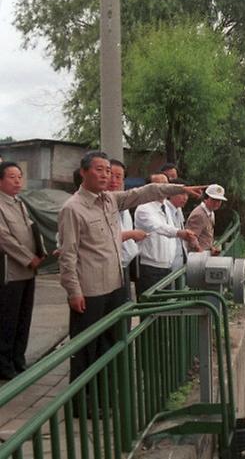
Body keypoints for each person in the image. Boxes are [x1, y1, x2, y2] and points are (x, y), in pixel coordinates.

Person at [58, 151, 205, 384]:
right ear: (83, 172)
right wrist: (73, 291)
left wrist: (180, 189)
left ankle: (103, 396)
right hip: (90, 290)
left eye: (108, 170)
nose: (106, 175)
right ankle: (81, 403)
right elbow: (67, 255)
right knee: (86, 348)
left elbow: (144, 192)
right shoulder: (73, 209)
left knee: (109, 344)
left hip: (114, 284)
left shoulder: (110, 200)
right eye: (100, 169)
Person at [0, 162, 45, 380]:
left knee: (23, 318)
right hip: (10, 272)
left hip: (29, 271)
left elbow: (31, 230)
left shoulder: (19, 203)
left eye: (19, 176)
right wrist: (29, 259)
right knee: (8, 320)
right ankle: (4, 364)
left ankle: (19, 359)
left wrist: (41, 252)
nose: (18, 181)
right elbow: (4, 239)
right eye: (12, 177)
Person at [133, 180, 198, 299]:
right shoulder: (144, 208)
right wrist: (179, 233)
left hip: (167, 267)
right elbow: (159, 227)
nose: (163, 187)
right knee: (152, 308)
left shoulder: (166, 208)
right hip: (151, 268)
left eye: (165, 184)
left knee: (166, 309)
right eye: (159, 184)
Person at [109, 159, 146, 300]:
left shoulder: (123, 206)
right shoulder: (96, 205)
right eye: (110, 175)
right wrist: (131, 234)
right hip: (107, 270)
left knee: (124, 312)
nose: (114, 181)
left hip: (123, 266)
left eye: (118, 177)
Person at [186, 184, 227, 255]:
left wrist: (211, 248)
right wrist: (201, 252)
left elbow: (206, 235)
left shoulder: (210, 212)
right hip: (197, 257)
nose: (217, 203)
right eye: (214, 200)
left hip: (205, 254)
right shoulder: (199, 214)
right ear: (205, 198)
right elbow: (191, 238)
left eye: (219, 200)